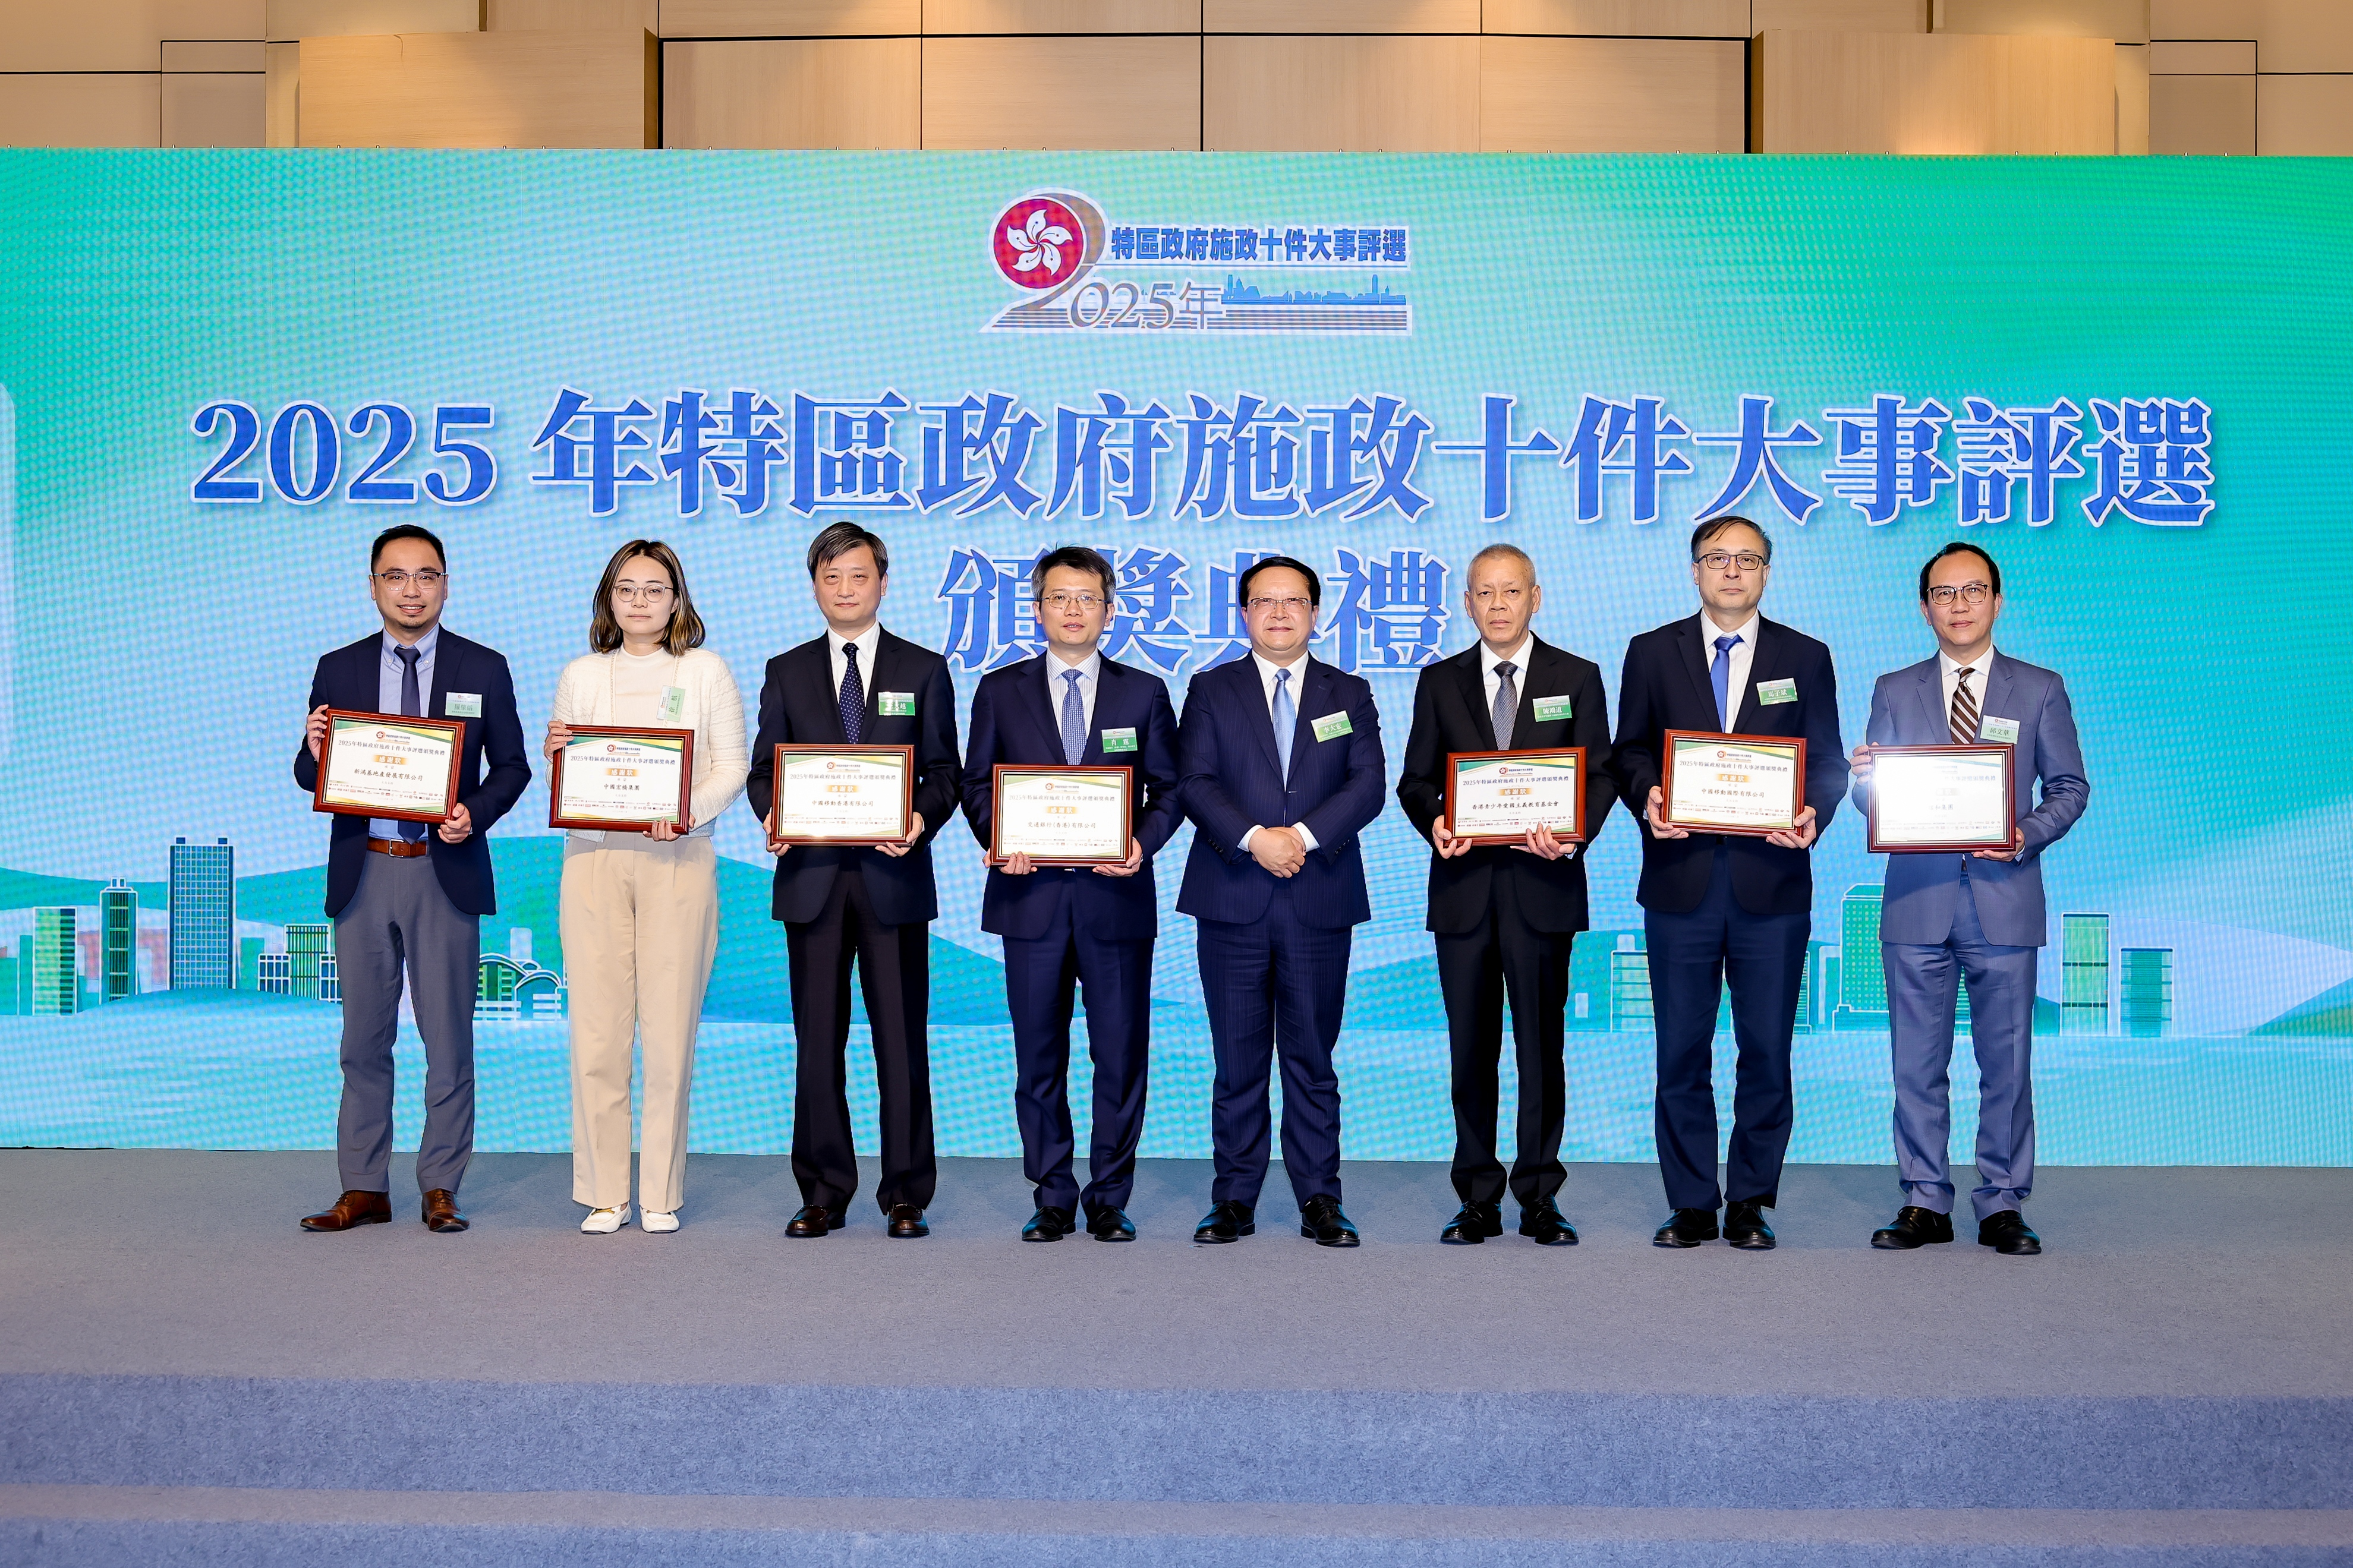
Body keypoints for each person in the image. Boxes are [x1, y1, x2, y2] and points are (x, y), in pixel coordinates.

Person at [1613, 516, 1845, 1251]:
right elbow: (1628, 751)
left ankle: (1748, 1199)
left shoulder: (1804, 656)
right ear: (1694, 570)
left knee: (1765, 1050)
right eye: (1717, 558)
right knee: (1680, 1051)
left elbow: (1828, 761)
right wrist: (1648, 796)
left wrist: (1812, 813)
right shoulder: (1651, 651)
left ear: (1766, 572)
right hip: (1678, 883)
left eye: (1747, 559)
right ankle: (1689, 1202)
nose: (1732, 571)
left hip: (1771, 884)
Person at [1850, 542, 2088, 1257]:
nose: (1958, 605)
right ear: (1923, 608)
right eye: (1943, 593)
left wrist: (2022, 835)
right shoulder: (1893, 689)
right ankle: (1923, 1198)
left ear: (1996, 601)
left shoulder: (2039, 688)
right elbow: (1872, 796)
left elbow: (2068, 788)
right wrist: (1865, 781)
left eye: (1972, 590)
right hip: (1915, 901)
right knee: (1914, 1065)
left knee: (2006, 1063)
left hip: (2003, 897)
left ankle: (2002, 1201)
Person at [293, 523, 530, 1235]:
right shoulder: (338, 667)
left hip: (442, 870)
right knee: (362, 1042)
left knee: (448, 1041)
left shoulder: (482, 666)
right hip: (364, 869)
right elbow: (309, 773)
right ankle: (363, 1185)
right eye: (395, 576)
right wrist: (313, 751)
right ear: (373, 586)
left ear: (445, 585)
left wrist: (473, 813)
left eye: (426, 575)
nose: (411, 589)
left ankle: (440, 1184)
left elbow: (513, 766)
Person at [744, 522, 961, 1240]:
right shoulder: (786, 669)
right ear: (814, 585)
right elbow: (763, 769)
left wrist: (918, 820)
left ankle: (905, 1192)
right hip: (811, 878)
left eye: (858, 575)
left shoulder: (922, 668)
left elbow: (944, 772)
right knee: (817, 1043)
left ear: (882, 583)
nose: (845, 589)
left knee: (900, 1042)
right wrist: (773, 811)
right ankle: (823, 1190)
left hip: (892, 877)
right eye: (831, 576)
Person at [1396, 544, 1615, 1247]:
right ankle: (1476, 1196)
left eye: (1510, 591)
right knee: (1470, 1050)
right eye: (1483, 592)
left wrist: (1571, 835)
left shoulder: (1575, 676)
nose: (1497, 604)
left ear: (1534, 597)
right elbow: (1414, 779)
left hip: (1542, 888)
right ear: (1467, 603)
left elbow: (1600, 773)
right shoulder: (1439, 680)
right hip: (1462, 891)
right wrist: (1435, 819)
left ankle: (1539, 1195)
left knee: (1540, 1050)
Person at [961, 546, 1183, 1243]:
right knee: (1038, 1056)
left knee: (1118, 1055)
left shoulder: (1143, 692)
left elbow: (1170, 788)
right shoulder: (999, 690)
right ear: (1037, 609)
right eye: (1059, 597)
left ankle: (1109, 1194)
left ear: (1109, 611)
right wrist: (1000, 836)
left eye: (1087, 598)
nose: (1073, 610)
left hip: (1114, 901)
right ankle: (1052, 1192)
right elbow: (976, 784)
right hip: (1028, 899)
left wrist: (1139, 843)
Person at [1176, 556, 1385, 1248]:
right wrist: (1253, 839)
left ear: (1314, 613)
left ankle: (1320, 1197)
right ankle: (1233, 1197)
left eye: (1292, 600)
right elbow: (1194, 780)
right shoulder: (1210, 689)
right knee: (1236, 1061)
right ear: (1243, 613)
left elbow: (1367, 785)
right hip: (1232, 894)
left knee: (1311, 1058)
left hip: (1318, 895)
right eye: (1263, 600)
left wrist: (1298, 837)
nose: (1278, 612)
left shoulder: (1348, 692)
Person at [546, 541, 747, 1236]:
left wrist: (685, 811)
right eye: (626, 588)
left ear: (676, 598)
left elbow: (731, 766)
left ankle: (660, 1190)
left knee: (669, 1034)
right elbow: (570, 773)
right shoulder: (581, 673)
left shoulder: (705, 670)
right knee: (597, 1034)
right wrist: (559, 757)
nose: (639, 600)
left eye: (654, 588)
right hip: (593, 860)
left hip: (679, 859)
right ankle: (605, 1192)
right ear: (608, 598)